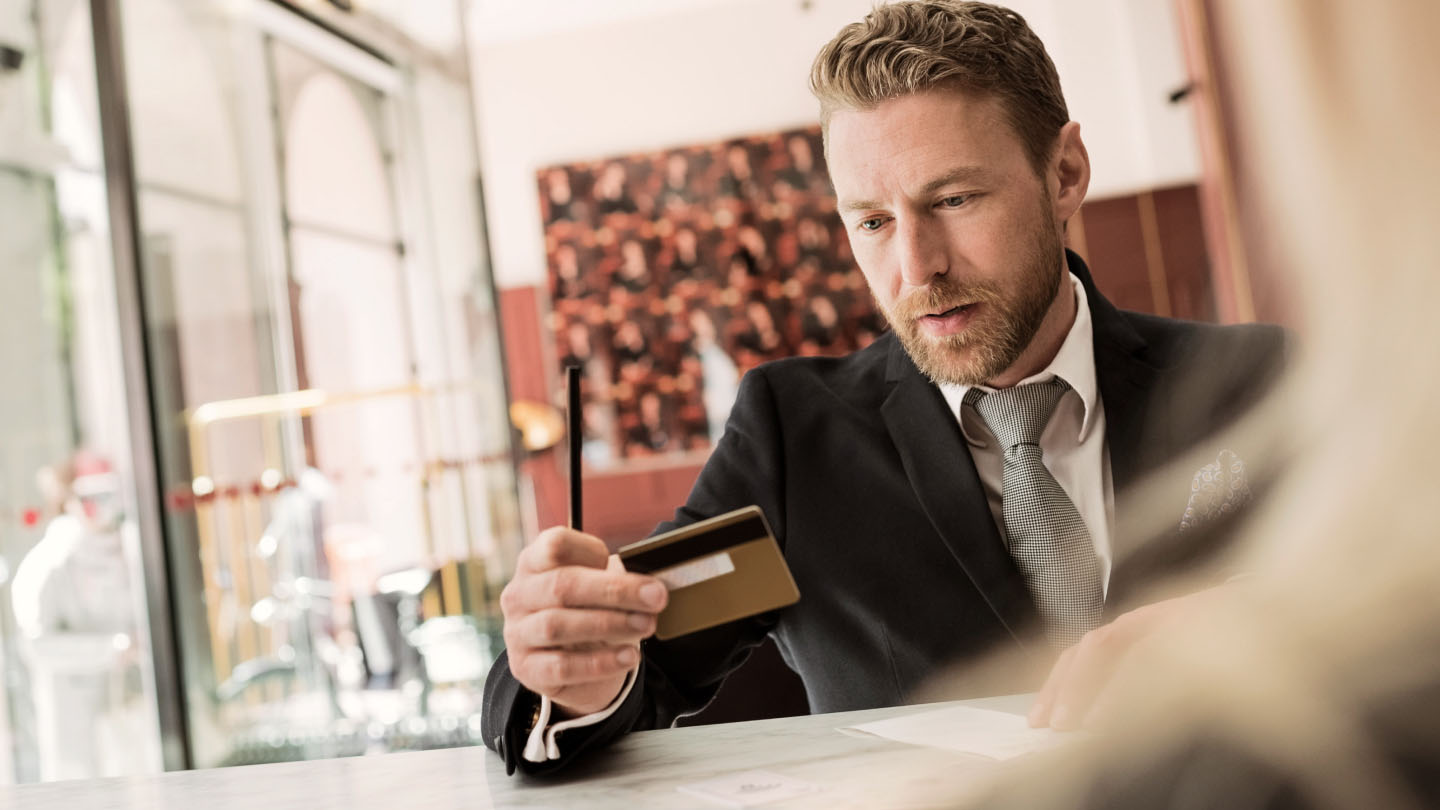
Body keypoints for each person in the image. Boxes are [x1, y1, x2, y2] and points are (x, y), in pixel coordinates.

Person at [482, 0, 1285, 774]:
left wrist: (1273, 617)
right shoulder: (793, 439)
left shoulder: (1258, 381)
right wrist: (564, 664)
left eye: (954, 199)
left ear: (1066, 172)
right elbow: (629, 661)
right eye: (872, 222)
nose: (917, 266)